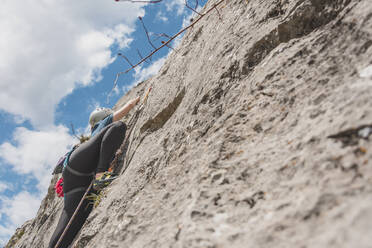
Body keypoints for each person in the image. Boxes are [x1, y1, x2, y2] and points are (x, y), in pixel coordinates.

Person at [48, 96, 140, 248]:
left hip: (75, 181)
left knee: (71, 225)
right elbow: (128, 107)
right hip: (81, 170)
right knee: (119, 126)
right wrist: (138, 99)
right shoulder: (102, 124)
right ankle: (100, 175)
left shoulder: (94, 138)